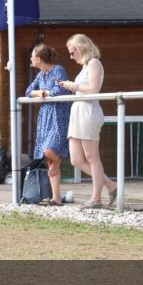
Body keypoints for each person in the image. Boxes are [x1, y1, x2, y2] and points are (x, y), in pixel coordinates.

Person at [60, 34, 118, 208]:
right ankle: (109, 184)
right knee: (76, 160)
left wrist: (73, 86)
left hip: (88, 112)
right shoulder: (85, 65)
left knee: (92, 157)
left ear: (81, 48)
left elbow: (94, 89)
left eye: (72, 52)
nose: (71, 57)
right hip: (78, 111)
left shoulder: (94, 63)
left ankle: (96, 198)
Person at [25, 44, 72, 205]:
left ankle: (58, 162)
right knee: (49, 160)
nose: (31, 58)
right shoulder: (41, 75)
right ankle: (56, 198)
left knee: (49, 151)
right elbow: (28, 91)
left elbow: (60, 90)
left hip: (58, 116)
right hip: (46, 117)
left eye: (32, 55)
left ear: (38, 59)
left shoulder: (58, 70)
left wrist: (46, 93)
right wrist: (41, 93)